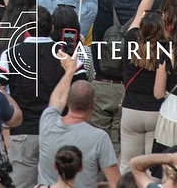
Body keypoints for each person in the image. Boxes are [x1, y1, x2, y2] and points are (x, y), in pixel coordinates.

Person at [38, 52, 120, 188]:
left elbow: (57, 99)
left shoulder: (47, 122)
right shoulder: (99, 138)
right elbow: (116, 183)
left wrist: (70, 71)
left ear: (68, 102)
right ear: (92, 107)